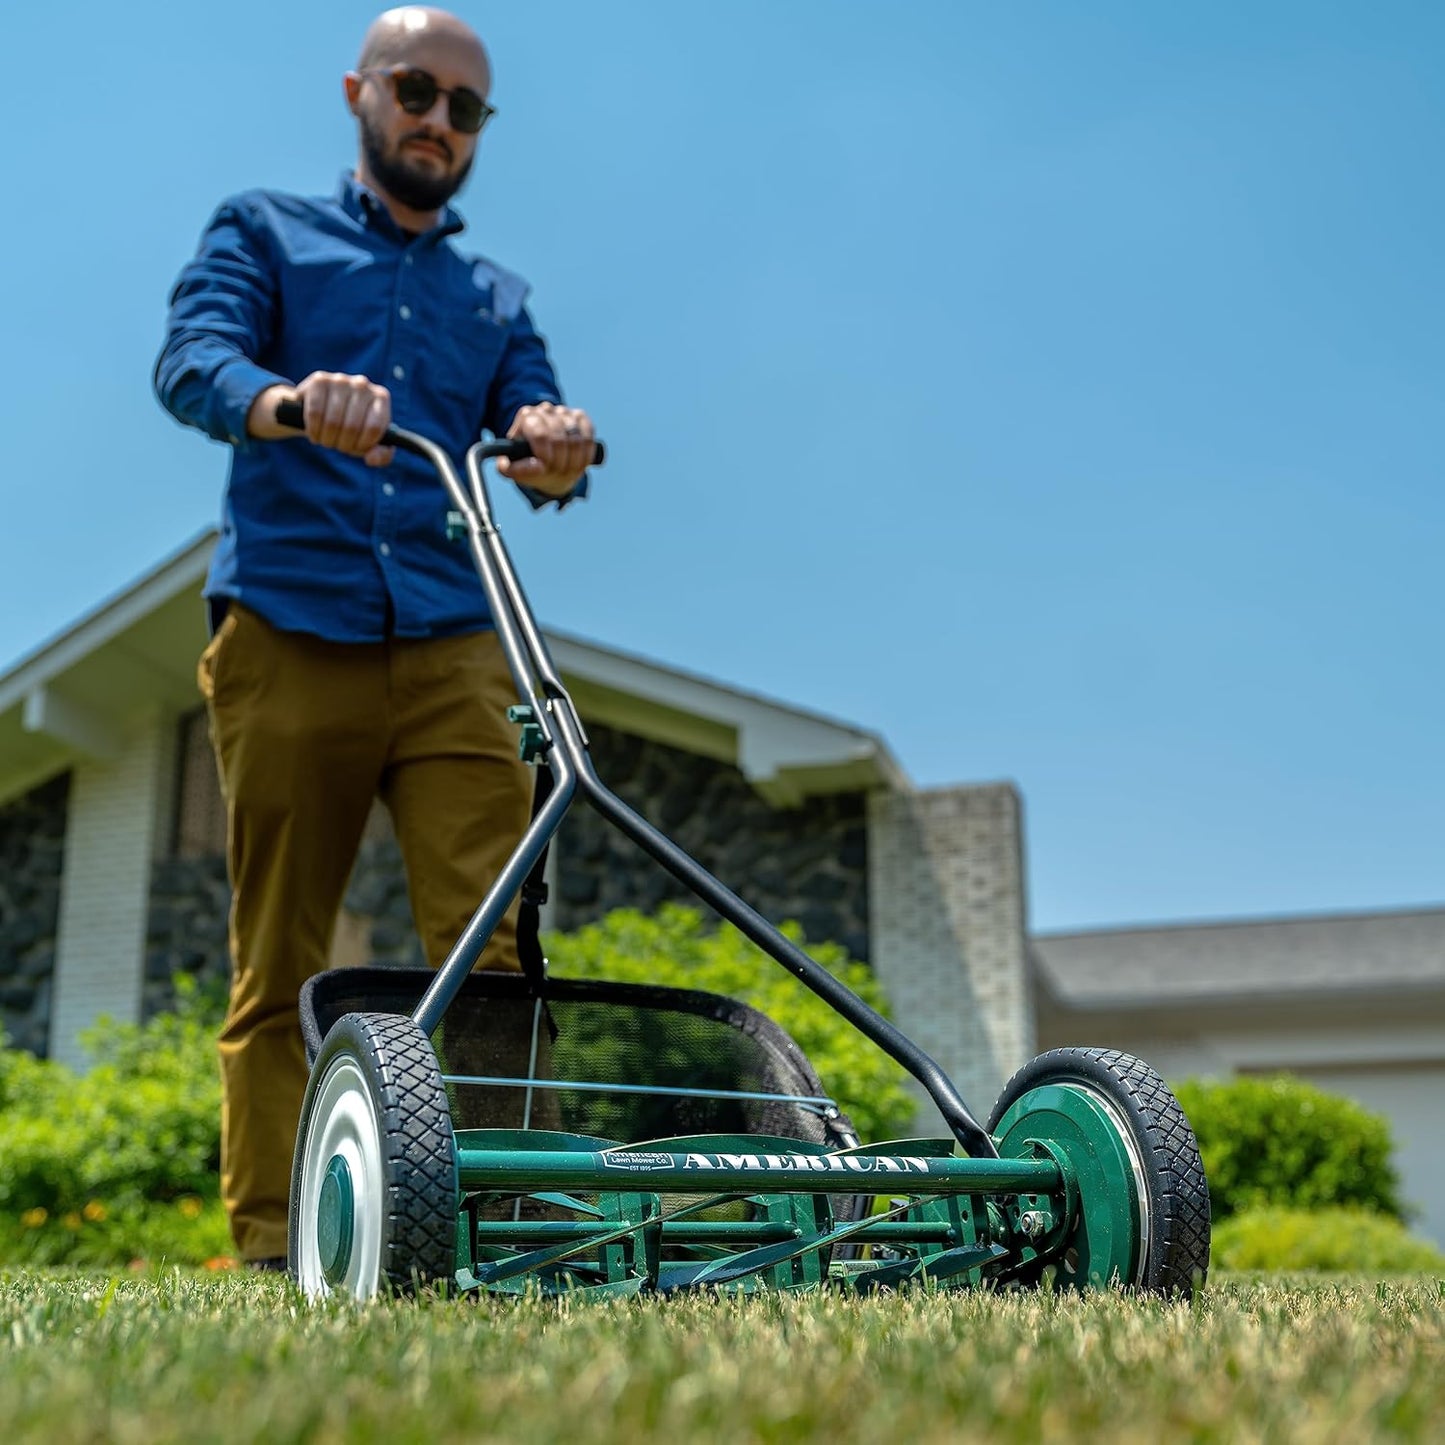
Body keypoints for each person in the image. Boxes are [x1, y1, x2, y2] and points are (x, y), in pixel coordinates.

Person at [153, 6, 596, 1270]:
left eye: (466, 107)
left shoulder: (493, 296)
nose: (438, 121)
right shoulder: (263, 229)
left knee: (496, 944)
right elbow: (192, 360)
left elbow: (533, 420)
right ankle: (274, 1244)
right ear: (359, 91)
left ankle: (517, 1232)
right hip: (289, 626)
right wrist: (287, 399)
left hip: (455, 640)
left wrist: (555, 445)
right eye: (415, 91)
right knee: (284, 955)